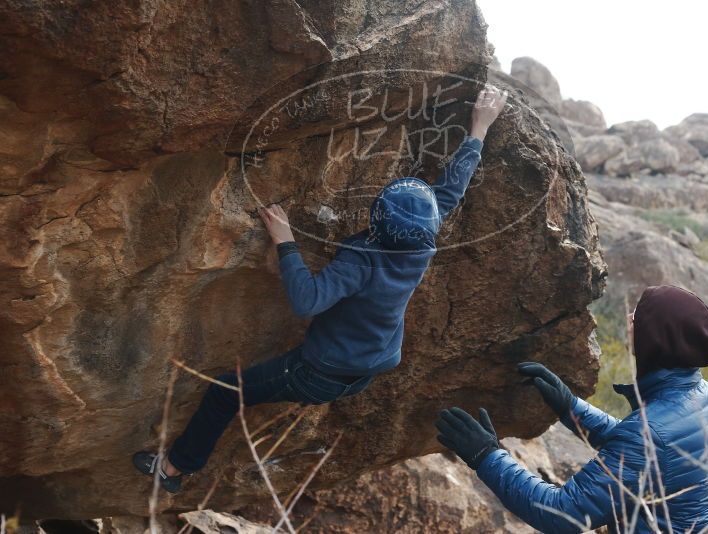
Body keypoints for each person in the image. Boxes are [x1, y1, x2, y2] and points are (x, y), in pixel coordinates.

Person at [133, 86, 509, 493]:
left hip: (318, 373)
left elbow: (307, 300)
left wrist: (285, 241)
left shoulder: (360, 261)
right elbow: (450, 192)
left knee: (225, 392)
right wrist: (479, 129)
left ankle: (173, 469)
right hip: (369, 366)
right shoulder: (421, 243)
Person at [435, 285, 708, 533]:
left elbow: (562, 513)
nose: (632, 316)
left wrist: (487, 456)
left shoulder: (653, 432)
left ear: (659, 339)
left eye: (640, 316)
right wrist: (570, 406)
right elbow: (640, 451)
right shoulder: (703, 395)